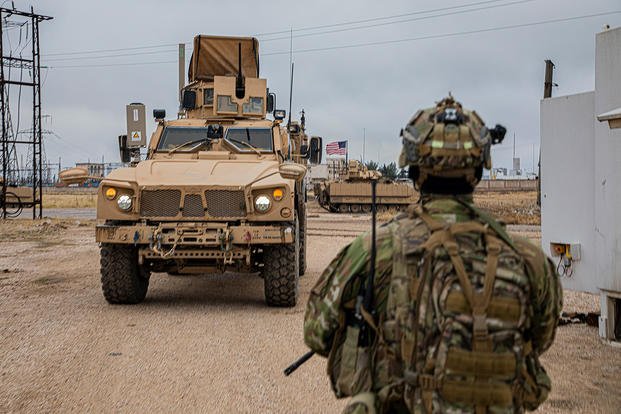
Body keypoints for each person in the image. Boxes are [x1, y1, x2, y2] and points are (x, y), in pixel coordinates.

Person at [303, 95, 562, 413]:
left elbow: (317, 333)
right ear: (479, 169)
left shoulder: (374, 250)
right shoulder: (527, 259)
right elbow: (541, 337)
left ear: (413, 169)